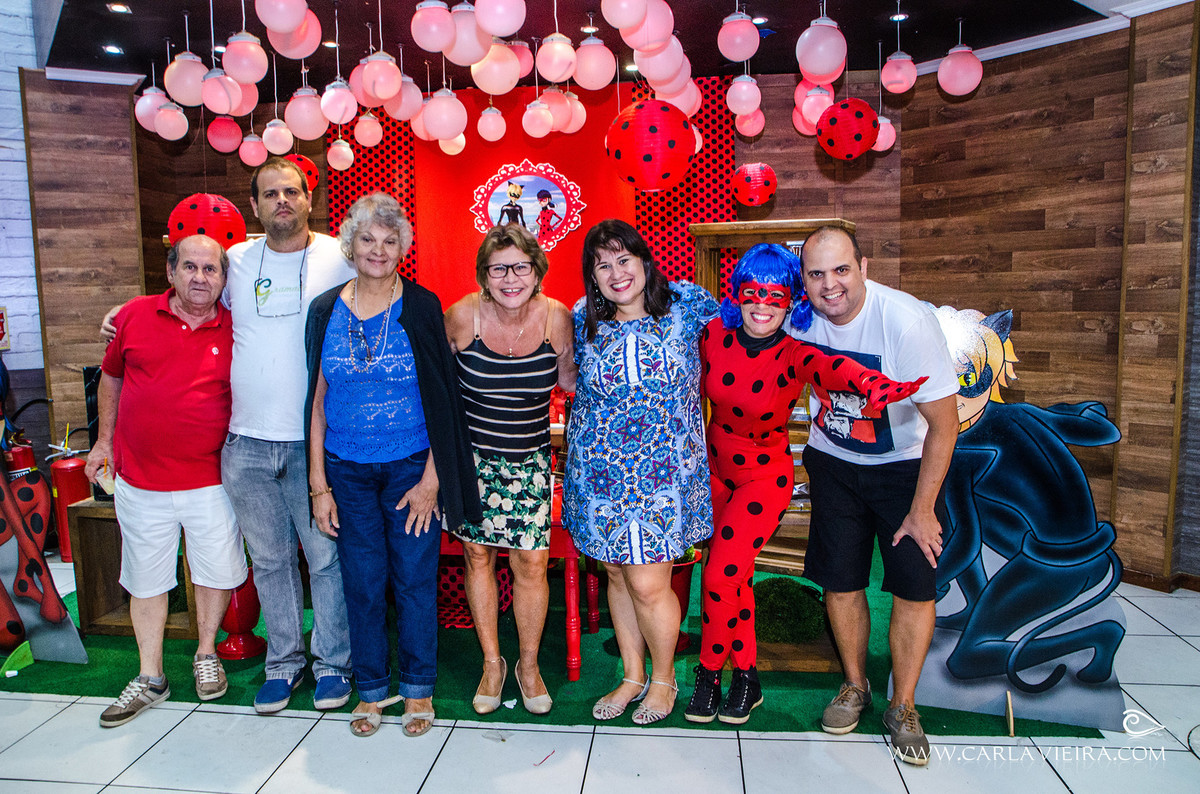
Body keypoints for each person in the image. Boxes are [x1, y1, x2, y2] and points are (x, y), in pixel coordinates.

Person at [102, 157, 356, 713]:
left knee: (325, 559)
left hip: (314, 441)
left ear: (309, 198)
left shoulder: (341, 255)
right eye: (270, 194)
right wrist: (123, 311)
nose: (282, 201)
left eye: (291, 191)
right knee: (269, 563)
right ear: (255, 206)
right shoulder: (236, 261)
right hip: (243, 446)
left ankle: (334, 663)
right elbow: (184, 292)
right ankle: (285, 665)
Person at [688, 243, 926, 726]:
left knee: (716, 578)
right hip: (714, 474)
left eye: (776, 297)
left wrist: (872, 383)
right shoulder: (712, 333)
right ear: (737, 293)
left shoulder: (795, 351)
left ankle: (710, 673)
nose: (762, 306)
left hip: (762, 479)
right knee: (735, 579)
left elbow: (833, 368)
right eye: (753, 293)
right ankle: (747, 677)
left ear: (791, 301)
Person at [305, 192, 481, 737]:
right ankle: (373, 690)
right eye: (367, 239)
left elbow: (446, 401)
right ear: (350, 245)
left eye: (389, 241)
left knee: (413, 579)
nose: (378, 250)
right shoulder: (324, 310)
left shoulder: (424, 307)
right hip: (346, 472)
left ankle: (419, 689)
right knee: (361, 580)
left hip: (410, 468)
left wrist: (432, 479)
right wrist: (318, 483)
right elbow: (314, 400)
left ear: (402, 248)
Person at [791, 226, 959, 766]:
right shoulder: (799, 316)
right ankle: (855, 685)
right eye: (816, 274)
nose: (829, 285)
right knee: (841, 580)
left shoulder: (906, 322)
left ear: (863, 266)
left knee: (914, 585)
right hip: (833, 463)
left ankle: (903, 705)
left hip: (904, 468)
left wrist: (922, 507)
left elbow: (945, 425)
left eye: (841, 269)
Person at [85, 235, 247, 727]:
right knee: (146, 578)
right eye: (191, 267)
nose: (201, 278)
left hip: (212, 479)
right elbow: (110, 377)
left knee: (215, 573)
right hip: (140, 479)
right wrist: (102, 442)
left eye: (211, 269)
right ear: (171, 272)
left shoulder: (239, 325)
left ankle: (205, 653)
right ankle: (151, 676)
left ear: (223, 277)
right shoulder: (132, 316)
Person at [564, 219, 718, 726]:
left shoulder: (688, 306)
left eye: (623, 259)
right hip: (600, 474)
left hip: (664, 476)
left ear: (644, 261)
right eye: (601, 264)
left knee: (650, 584)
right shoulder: (584, 317)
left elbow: (748, 336)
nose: (615, 272)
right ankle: (631, 675)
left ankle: (664, 679)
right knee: (615, 573)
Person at [444, 225, 576, 716]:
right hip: (472, 461)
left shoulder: (557, 318)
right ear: (484, 274)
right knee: (478, 559)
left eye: (521, 266)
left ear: (537, 271)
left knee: (531, 565)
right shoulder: (460, 317)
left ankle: (527, 664)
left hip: (531, 459)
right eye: (499, 268)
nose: (510, 277)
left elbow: (572, 386)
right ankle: (491, 663)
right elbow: (438, 396)